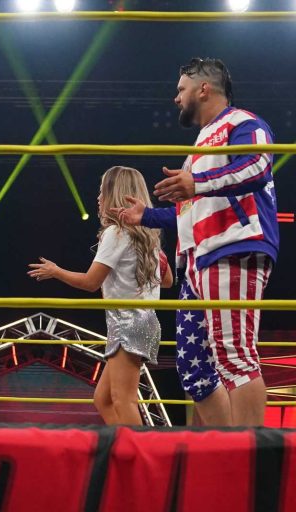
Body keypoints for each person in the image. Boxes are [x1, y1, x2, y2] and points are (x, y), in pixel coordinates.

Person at [114, 58, 278, 426]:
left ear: (203, 89)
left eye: (181, 89)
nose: (176, 98)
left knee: (235, 355)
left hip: (233, 247)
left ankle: (250, 453)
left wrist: (197, 183)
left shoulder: (242, 122)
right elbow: (190, 211)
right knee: (194, 368)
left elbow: (258, 166)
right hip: (198, 259)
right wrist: (147, 216)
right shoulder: (198, 148)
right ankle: (223, 448)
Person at [29, 166, 171, 426]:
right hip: (139, 320)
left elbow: (90, 282)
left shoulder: (116, 233)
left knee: (123, 399)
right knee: (103, 399)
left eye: (102, 191)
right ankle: (125, 443)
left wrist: (56, 271)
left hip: (128, 322)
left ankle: (140, 449)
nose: (98, 198)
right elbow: (168, 280)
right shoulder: (148, 235)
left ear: (114, 195)